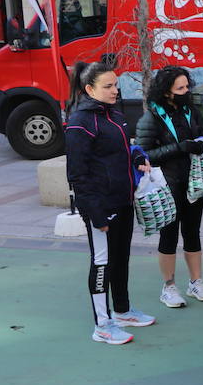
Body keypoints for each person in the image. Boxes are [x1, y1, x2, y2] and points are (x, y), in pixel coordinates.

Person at [64, 61, 157, 345]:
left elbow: (121, 149)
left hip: (123, 201)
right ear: (89, 89)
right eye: (108, 86)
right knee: (102, 263)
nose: (115, 90)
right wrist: (95, 214)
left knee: (121, 259)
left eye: (116, 84)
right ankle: (102, 325)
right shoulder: (80, 122)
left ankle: (123, 310)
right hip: (101, 207)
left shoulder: (113, 114)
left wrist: (137, 158)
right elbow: (77, 175)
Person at [136, 65, 203, 308]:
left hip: (193, 183)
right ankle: (168, 286)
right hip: (167, 185)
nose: (186, 91)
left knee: (192, 233)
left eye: (187, 86)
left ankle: (196, 281)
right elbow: (144, 154)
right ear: (166, 91)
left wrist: (201, 142)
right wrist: (180, 148)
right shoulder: (152, 117)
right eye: (180, 88)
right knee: (168, 236)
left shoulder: (192, 110)